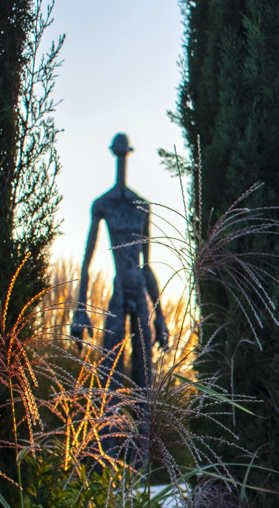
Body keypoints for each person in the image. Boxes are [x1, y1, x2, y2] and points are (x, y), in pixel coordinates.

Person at [71, 133, 169, 457]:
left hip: (139, 293)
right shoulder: (104, 205)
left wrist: (162, 318)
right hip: (118, 291)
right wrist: (79, 310)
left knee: (144, 378)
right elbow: (86, 261)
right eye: (121, 154)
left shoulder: (142, 207)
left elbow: (148, 266)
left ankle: (139, 460)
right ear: (117, 153)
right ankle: (108, 456)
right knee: (110, 372)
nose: (122, 158)